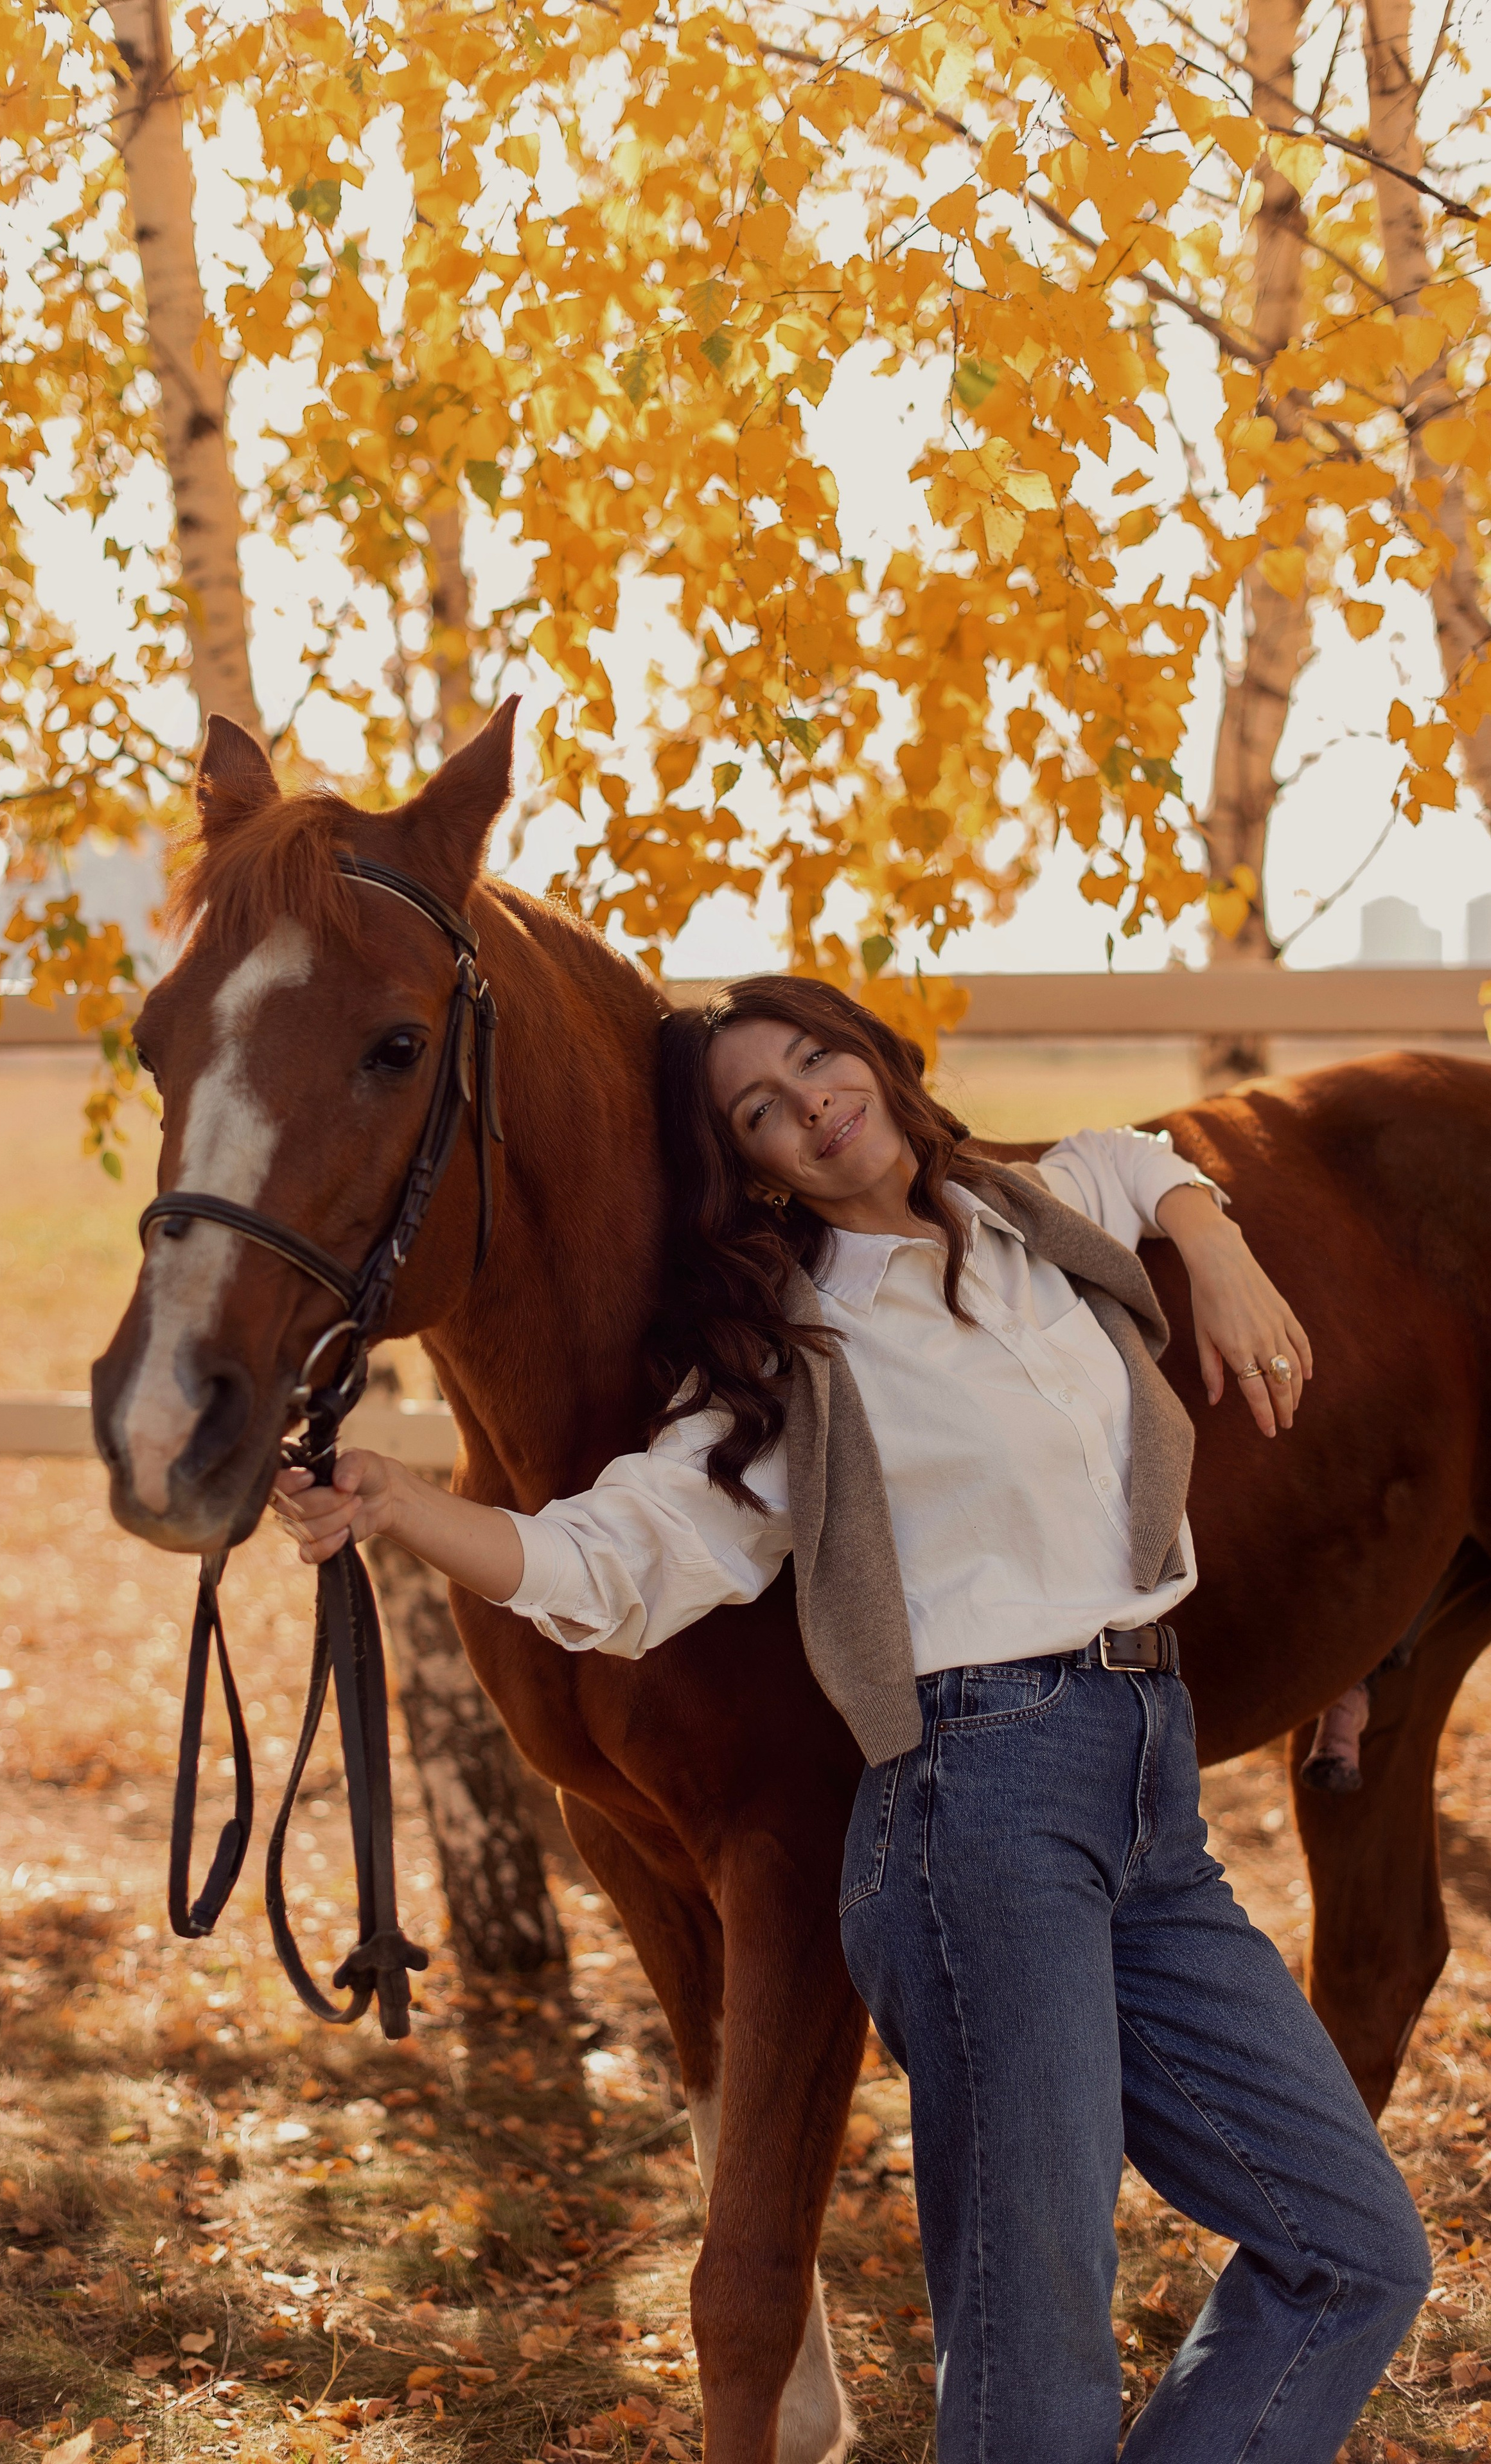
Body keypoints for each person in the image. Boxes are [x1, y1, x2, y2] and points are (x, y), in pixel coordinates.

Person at [272, 975, 1429, 2463]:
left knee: (1350, 2250)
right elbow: (609, 1560)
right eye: (759, 1108)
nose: (807, 1102)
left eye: (815, 1058)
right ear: (752, 1167)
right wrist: (406, 1504)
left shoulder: (1030, 1208)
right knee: (1038, 2326)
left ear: (872, 1059)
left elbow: (1141, 1158)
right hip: (977, 1811)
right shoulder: (793, 1348)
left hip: (1147, 1791)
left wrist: (1210, 1238)